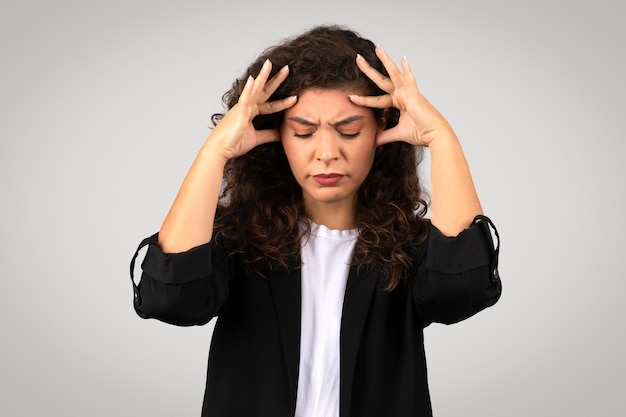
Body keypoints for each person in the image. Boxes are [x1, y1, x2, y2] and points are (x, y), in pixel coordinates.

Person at [130, 24, 502, 417]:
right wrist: (215, 152)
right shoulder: (240, 241)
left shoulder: (408, 247)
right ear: (277, 137)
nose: (327, 152)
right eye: (304, 132)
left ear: (382, 131)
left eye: (349, 130)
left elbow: (460, 292)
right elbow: (173, 299)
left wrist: (441, 137)